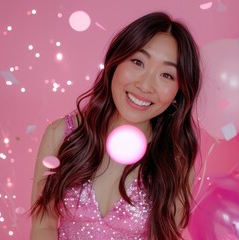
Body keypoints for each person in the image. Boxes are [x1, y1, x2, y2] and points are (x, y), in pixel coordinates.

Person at [30, 11, 202, 240]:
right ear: (116, 62)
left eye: (166, 75)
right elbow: (43, 224)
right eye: (138, 62)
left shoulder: (176, 161)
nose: (145, 85)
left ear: (178, 94)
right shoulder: (63, 134)